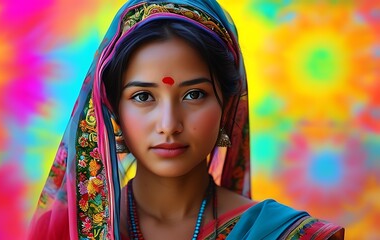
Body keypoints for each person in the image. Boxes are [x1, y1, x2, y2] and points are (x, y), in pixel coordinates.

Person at [28, 0, 345, 239]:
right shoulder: (67, 231)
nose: (169, 124)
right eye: (143, 97)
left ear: (226, 103)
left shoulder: (287, 234)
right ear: (112, 109)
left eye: (194, 95)